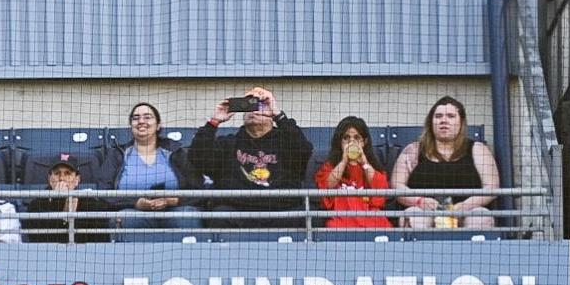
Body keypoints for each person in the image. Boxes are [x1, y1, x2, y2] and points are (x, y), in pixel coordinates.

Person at [187, 87, 313, 229]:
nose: (254, 109)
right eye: (249, 104)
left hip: (282, 212)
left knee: (303, 217)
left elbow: (305, 154)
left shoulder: (287, 141)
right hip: (236, 213)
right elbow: (198, 159)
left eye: (261, 104)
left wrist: (279, 116)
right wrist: (213, 122)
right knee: (220, 215)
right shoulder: (228, 143)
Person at [391, 96, 499, 230]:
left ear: (461, 122)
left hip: (467, 212)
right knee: (413, 215)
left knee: (481, 216)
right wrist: (419, 201)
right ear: (431, 122)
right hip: (424, 212)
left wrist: (465, 206)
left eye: (451, 116)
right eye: (438, 116)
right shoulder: (413, 150)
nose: (444, 120)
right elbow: (397, 186)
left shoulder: (477, 149)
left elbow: (491, 187)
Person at [100, 101, 202, 234]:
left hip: (175, 210)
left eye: (147, 117)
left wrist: (174, 200)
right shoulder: (117, 154)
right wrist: (136, 203)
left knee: (187, 216)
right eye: (136, 118)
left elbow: (198, 187)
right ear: (131, 125)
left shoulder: (176, 152)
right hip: (134, 213)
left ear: (158, 125)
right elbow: (104, 190)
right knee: (126, 218)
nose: (141, 121)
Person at [313, 116, 392, 229]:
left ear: (364, 142)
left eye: (357, 138)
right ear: (340, 142)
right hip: (340, 221)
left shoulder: (372, 167)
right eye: (346, 138)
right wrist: (344, 161)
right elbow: (327, 185)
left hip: (371, 220)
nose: (351, 142)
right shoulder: (330, 166)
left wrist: (364, 162)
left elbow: (381, 188)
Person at [25, 154, 111, 244]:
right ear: (50, 178)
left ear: (77, 179)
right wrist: (59, 206)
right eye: (57, 173)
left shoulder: (91, 204)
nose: (62, 178)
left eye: (67, 173)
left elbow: (100, 242)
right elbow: (40, 242)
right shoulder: (36, 205)